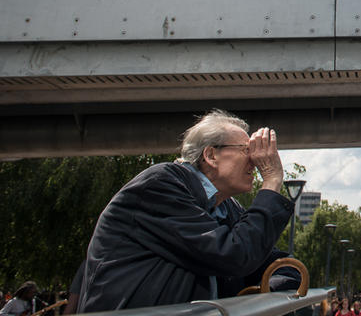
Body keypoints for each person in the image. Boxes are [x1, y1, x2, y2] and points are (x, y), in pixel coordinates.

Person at [77, 109, 298, 312]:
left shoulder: (226, 207)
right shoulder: (160, 186)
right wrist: (271, 180)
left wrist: (269, 289)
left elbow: (281, 264)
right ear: (211, 155)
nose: (254, 161)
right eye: (246, 151)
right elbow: (234, 255)